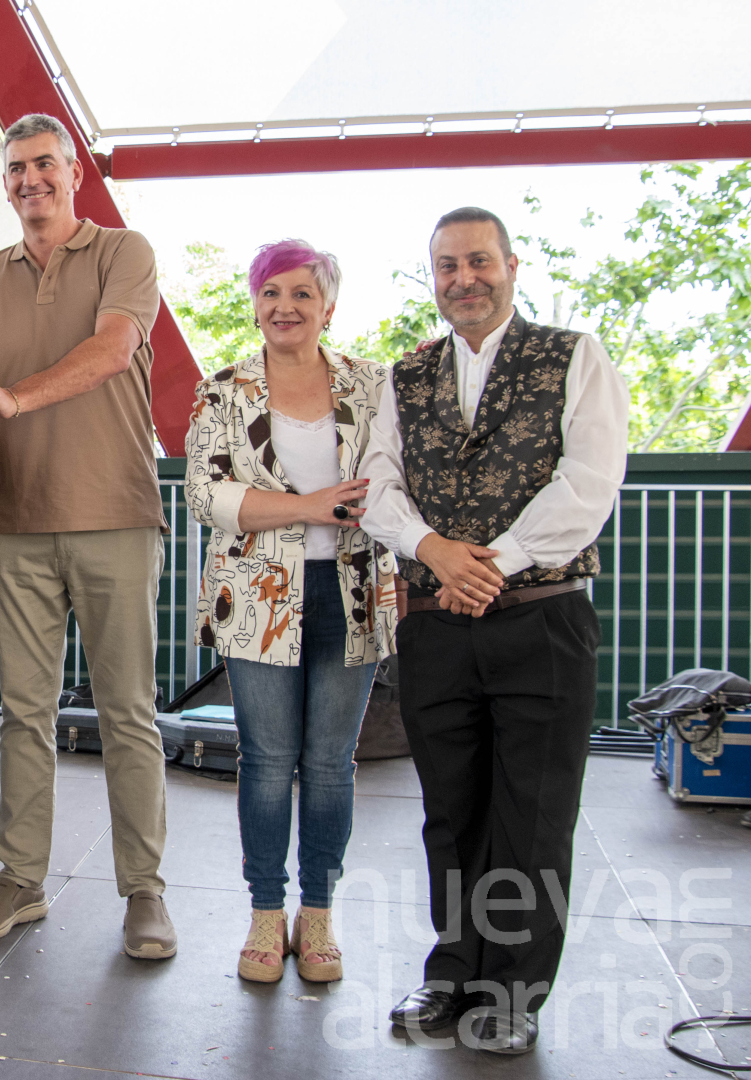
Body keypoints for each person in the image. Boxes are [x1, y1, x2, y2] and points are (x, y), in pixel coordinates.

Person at [361, 207, 627, 1055]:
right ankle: (453, 971)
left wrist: (492, 563)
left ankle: (512, 991)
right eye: (446, 266)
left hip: (540, 620)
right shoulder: (404, 376)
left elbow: (588, 483)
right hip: (435, 627)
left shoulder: (573, 355)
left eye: (478, 261)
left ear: (512, 266)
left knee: (533, 815)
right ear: (432, 278)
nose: (462, 279)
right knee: (449, 812)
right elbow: (378, 488)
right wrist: (435, 552)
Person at [0, 113, 175, 959]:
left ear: (73, 172)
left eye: (44, 163)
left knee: (128, 715)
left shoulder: (123, 251)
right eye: (15, 167)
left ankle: (144, 891)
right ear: (3, 181)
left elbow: (112, 350)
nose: (29, 179)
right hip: (13, 524)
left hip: (114, 513)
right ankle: (20, 880)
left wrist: (16, 396)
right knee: (23, 715)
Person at [184, 240, 397, 984]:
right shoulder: (221, 391)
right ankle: (265, 914)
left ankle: (319, 913)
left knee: (331, 764)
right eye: (271, 292)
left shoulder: (374, 385)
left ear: (327, 307)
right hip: (255, 599)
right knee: (268, 761)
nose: (285, 306)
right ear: (254, 305)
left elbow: (392, 483)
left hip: (352, 593)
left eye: (302, 293)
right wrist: (309, 507)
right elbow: (205, 495)